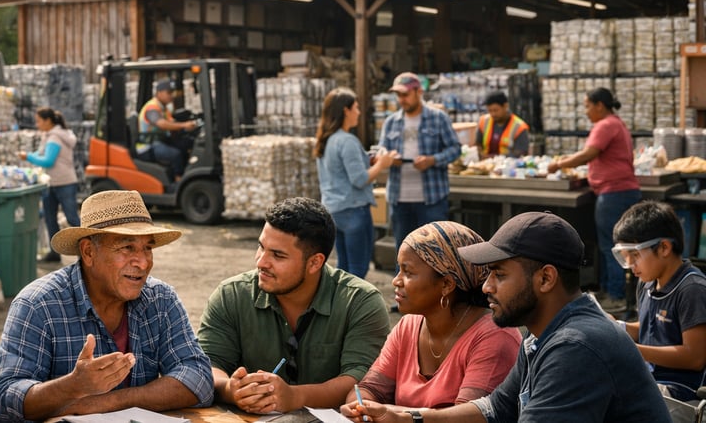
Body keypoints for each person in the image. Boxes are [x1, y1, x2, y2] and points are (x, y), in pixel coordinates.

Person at [350, 211, 670, 422]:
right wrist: (407, 418)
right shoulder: (542, 336)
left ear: (545, 279)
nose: (486, 286)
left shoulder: (577, 346)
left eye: (500, 275)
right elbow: (495, 408)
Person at [0, 190, 213, 422]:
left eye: (148, 248)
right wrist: (72, 386)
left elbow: (198, 377)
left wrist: (107, 402)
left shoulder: (161, 299)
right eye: (127, 247)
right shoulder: (39, 304)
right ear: (88, 252)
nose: (144, 262)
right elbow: (5, 401)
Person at [197, 197, 391, 414]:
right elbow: (206, 364)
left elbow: (361, 381)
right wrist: (232, 390)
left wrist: (295, 396)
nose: (261, 261)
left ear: (315, 262)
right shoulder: (231, 294)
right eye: (261, 247)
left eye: (278, 255)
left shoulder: (360, 302)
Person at [340, 222, 520, 420]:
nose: (396, 281)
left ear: (446, 284)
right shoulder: (408, 326)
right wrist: (360, 407)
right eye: (398, 270)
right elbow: (370, 389)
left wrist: (398, 417)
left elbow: (467, 418)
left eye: (408, 272)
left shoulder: (494, 336)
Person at [548, 87, 641, 309]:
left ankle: (616, 296)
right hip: (622, 191)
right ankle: (611, 290)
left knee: (612, 246)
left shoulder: (606, 125)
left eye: (588, 106)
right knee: (617, 244)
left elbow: (589, 153)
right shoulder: (618, 123)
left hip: (613, 194)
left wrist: (558, 164)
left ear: (600, 105)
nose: (586, 111)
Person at [612, 200, 706, 402]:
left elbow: (695, 357)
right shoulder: (647, 282)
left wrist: (633, 350)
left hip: (680, 392)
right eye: (625, 257)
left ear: (664, 248)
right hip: (649, 378)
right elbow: (651, 327)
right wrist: (619, 327)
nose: (630, 265)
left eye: (635, 255)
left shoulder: (692, 289)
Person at [315, 88, 398, 278]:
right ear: (346, 110)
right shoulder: (347, 141)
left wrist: (368, 161)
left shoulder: (326, 140)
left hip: (334, 211)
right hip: (354, 211)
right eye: (356, 108)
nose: (359, 113)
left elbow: (339, 170)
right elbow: (360, 180)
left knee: (343, 268)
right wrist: (383, 164)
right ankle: (354, 307)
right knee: (358, 270)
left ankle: (340, 306)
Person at [379, 72, 460, 264]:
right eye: (398, 95)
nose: (402, 100)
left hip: (431, 199)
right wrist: (389, 157)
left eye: (405, 94)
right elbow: (381, 148)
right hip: (400, 200)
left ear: (418, 92)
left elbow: (455, 149)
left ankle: (436, 293)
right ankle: (405, 292)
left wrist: (432, 160)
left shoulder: (438, 118)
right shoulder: (391, 122)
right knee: (404, 253)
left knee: (435, 253)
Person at [19, 106, 81, 264]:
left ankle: (86, 251)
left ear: (48, 121)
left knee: (72, 218)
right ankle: (54, 253)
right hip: (51, 182)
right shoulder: (49, 135)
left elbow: (48, 160)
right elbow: (41, 154)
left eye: (39, 121)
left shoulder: (55, 137)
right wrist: (30, 156)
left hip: (64, 182)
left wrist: (28, 158)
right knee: (50, 218)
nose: (37, 124)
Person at [138, 78, 197, 181]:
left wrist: (187, 126)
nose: (172, 95)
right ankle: (178, 180)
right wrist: (183, 125)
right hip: (148, 145)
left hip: (159, 141)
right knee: (175, 154)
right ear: (159, 93)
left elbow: (171, 122)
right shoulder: (152, 108)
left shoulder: (164, 108)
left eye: (172, 92)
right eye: (169, 93)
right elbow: (162, 124)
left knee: (186, 144)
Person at [473, 91, 530, 158]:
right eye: (490, 111)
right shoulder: (483, 121)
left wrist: (493, 158)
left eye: (496, 110)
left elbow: (520, 153)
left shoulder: (520, 127)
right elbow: (478, 144)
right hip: (485, 164)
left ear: (505, 106)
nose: (493, 114)